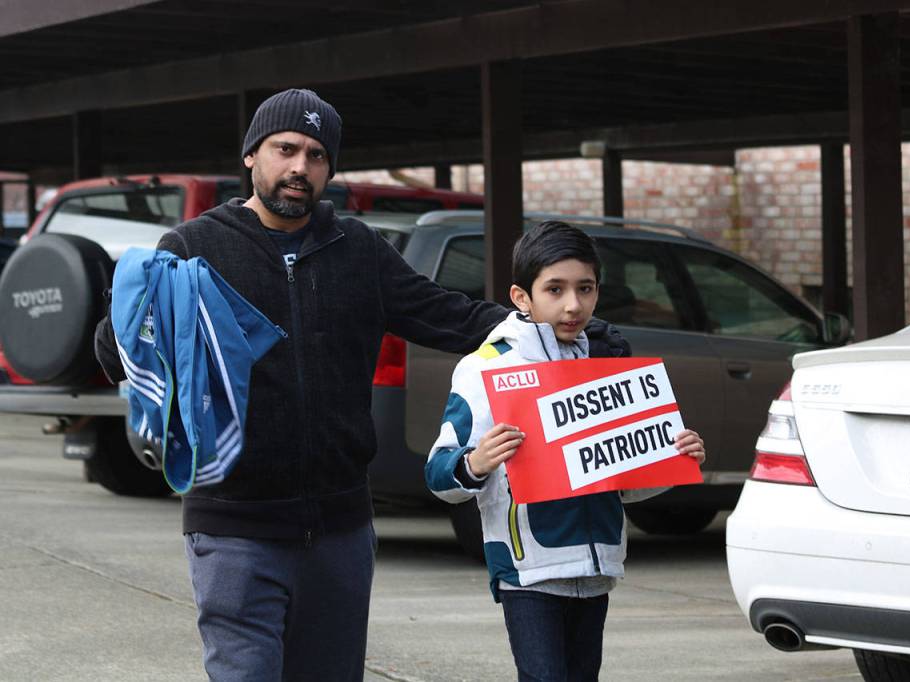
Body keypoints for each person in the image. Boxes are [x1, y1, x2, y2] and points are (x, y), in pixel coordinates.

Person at [93, 89, 626, 681]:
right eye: (285, 148)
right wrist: (134, 314)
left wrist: (564, 327)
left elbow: (446, 315)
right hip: (234, 526)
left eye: (317, 155)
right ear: (251, 155)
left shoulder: (359, 250)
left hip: (340, 529)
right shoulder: (195, 248)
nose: (300, 166)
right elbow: (121, 351)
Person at [424, 220, 706, 682]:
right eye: (554, 289)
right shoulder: (484, 368)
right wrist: (475, 463)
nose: (573, 304)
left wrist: (671, 459)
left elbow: (621, 485)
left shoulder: (604, 366)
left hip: (597, 567)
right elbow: (437, 473)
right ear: (522, 296)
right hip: (527, 571)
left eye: (585, 288)